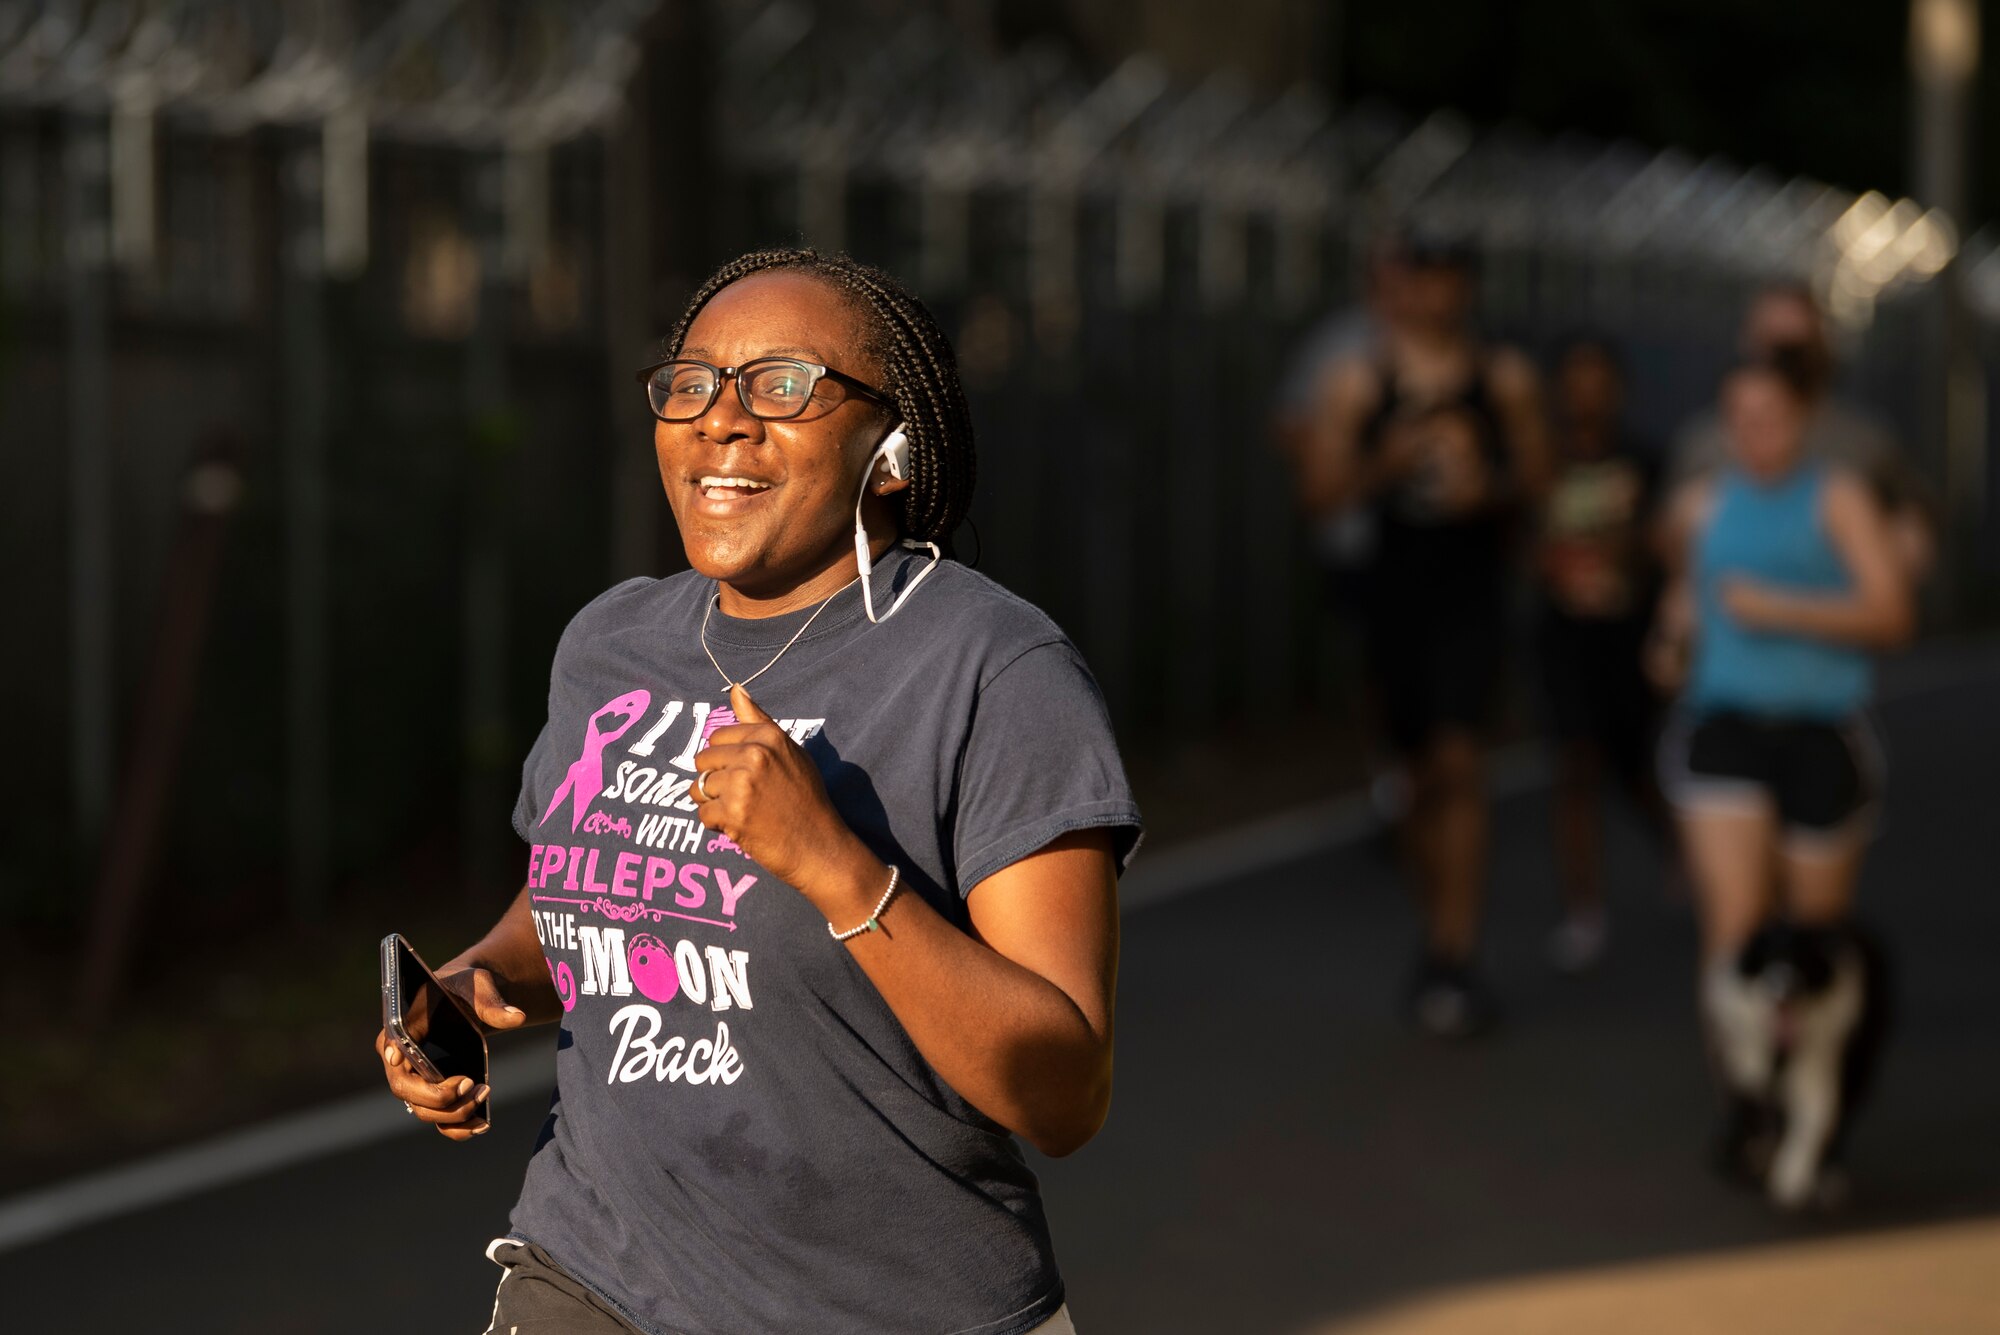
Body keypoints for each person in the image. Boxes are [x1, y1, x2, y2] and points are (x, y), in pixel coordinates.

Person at [375, 248, 1143, 1334]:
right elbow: (587, 890)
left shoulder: (991, 669)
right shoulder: (612, 642)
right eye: (689, 383)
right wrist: (479, 979)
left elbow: (1063, 1092)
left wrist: (832, 865)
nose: (719, 420)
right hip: (590, 1277)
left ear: (890, 452)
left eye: (781, 386)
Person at [1651, 352, 1913, 1209]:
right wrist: (1670, 639)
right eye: (1740, 418)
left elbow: (1890, 613)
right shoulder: (1705, 501)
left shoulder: (1837, 496)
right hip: (1726, 726)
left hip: (1817, 732)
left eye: (1769, 417)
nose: (1753, 435)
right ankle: (1749, 1104)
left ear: (1802, 418)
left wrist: (1784, 609)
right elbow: (1688, 599)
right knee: (1736, 937)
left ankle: (1817, 1115)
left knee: (1813, 939)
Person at [1299, 231, 1550, 1038]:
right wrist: (1390, 459)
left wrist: (1491, 486)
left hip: (1469, 597)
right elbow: (1321, 491)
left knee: (1459, 759)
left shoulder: (1501, 378)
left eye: (1448, 282)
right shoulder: (1358, 381)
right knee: (1410, 781)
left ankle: (1454, 949)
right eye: (1420, 282)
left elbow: (1541, 478)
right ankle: (1439, 918)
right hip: (1392, 598)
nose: (1433, 298)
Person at [1532, 335, 1664, 972]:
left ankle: (1687, 854)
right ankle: (1583, 907)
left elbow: (1667, 548)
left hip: (1629, 640)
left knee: (1637, 767)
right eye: (1575, 379)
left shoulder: (1644, 462)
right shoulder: (1541, 463)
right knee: (1574, 766)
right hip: (1565, 641)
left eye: (1598, 379)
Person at [1669, 283, 1934, 580]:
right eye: (1776, 345)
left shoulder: (1863, 441)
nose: (1786, 363)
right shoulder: (1704, 444)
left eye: (1797, 348)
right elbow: (1674, 543)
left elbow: (1911, 528)